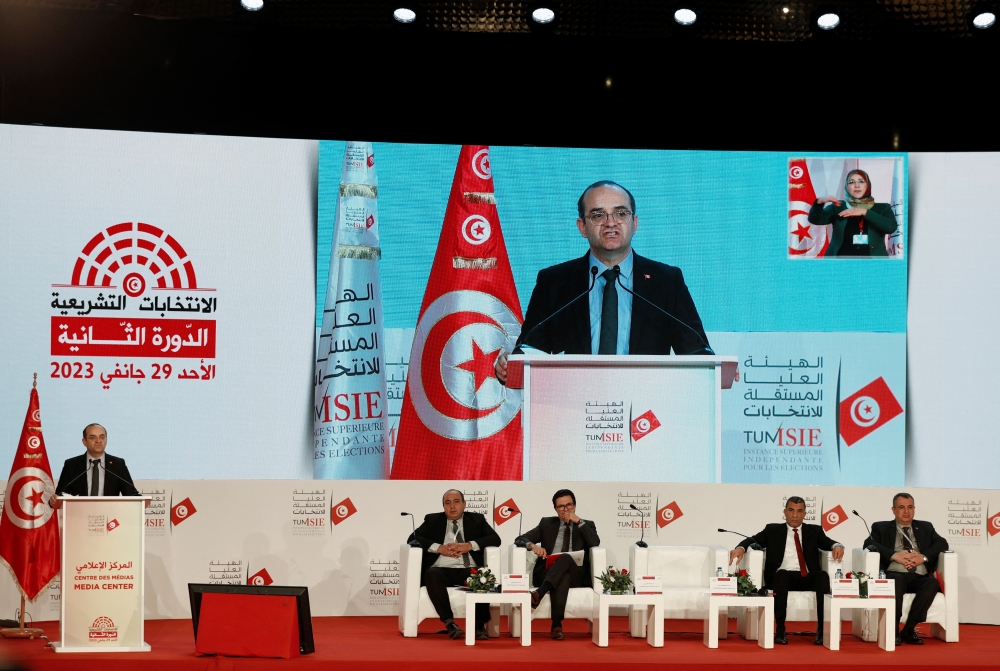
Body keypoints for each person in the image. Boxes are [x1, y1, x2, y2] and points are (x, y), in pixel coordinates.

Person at [495, 180, 709, 383]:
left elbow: (695, 350)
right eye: (598, 215)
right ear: (582, 227)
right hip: (572, 407)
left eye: (620, 213)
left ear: (634, 223)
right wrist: (511, 365)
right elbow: (532, 348)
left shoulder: (666, 281)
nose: (610, 223)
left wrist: (714, 366)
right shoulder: (554, 282)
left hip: (646, 408)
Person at [729, 496, 844, 645]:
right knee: (782, 574)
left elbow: (829, 542)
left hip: (806, 576)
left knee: (822, 576)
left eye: (799, 511)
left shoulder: (814, 531)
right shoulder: (772, 530)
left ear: (805, 514)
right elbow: (753, 539)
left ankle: (822, 631)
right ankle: (780, 631)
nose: (795, 515)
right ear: (785, 512)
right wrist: (740, 548)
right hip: (782, 578)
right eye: (791, 510)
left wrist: (837, 545)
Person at [409, 489, 501, 641]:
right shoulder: (432, 520)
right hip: (441, 569)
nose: (452, 506)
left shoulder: (476, 519)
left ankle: (479, 625)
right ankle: (450, 623)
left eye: (456, 502)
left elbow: (495, 539)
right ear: (443, 506)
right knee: (431, 573)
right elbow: (413, 538)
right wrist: (439, 548)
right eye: (448, 503)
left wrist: (469, 546)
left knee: (481, 574)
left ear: (464, 504)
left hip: (467, 569)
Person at [515, 489, 600, 640]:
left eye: (569, 505)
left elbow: (595, 542)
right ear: (555, 509)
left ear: (575, 506)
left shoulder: (586, 525)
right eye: (561, 506)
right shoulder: (547, 523)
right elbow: (521, 538)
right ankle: (556, 625)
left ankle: (539, 594)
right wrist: (534, 547)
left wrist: (578, 522)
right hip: (547, 572)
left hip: (577, 575)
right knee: (563, 576)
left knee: (566, 559)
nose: (565, 509)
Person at [864, 492, 948, 645]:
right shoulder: (881, 527)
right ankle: (893, 629)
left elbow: (942, 543)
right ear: (893, 510)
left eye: (910, 507)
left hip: (918, 575)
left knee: (932, 583)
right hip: (895, 573)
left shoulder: (925, 527)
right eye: (901, 507)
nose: (906, 511)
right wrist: (894, 555)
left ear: (914, 509)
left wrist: (922, 557)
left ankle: (909, 629)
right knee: (896, 580)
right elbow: (869, 543)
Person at [49, 423, 143, 509]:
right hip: (79, 518)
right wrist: (53, 500)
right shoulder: (71, 465)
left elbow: (131, 494)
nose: (98, 441)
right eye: (92, 437)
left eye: (102, 437)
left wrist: (141, 500)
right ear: (84, 441)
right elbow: (60, 495)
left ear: (106, 440)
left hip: (109, 518)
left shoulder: (118, 464)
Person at [808, 168, 898, 257]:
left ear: (868, 185)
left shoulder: (882, 207)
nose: (857, 185)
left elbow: (890, 228)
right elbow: (816, 220)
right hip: (840, 263)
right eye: (851, 182)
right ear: (847, 187)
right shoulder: (838, 206)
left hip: (872, 264)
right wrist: (819, 203)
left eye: (861, 181)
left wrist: (865, 212)